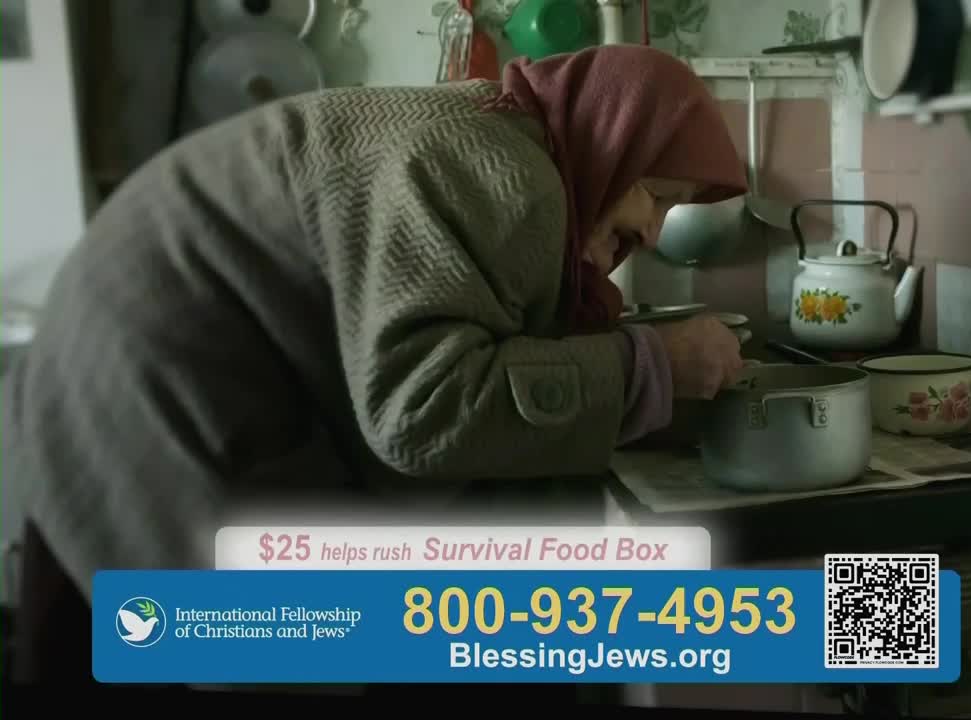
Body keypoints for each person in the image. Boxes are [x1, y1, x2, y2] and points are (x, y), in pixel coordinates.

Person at [2, 44, 748, 683]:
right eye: (655, 193)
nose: (653, 230)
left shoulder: (510, 141)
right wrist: (651, 368)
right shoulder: (514, 183)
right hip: (150, 379)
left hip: (125, 340)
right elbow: (422, 413)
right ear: (610, 136)